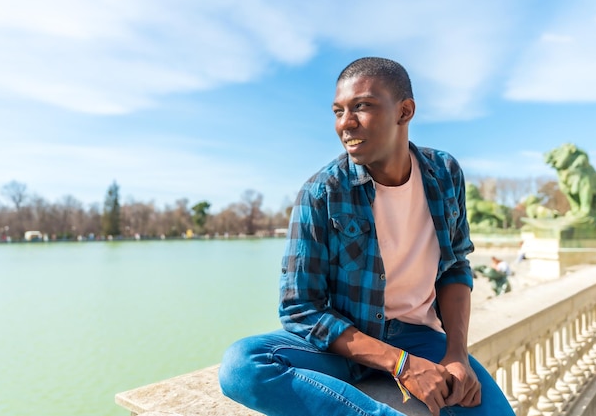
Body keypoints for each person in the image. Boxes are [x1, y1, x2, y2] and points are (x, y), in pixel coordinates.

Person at [219, 57, 515, 416]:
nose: (345, 123)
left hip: (419, 337)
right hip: (341, 345)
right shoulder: (322, 192)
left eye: (362, 106)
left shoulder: (445, 173)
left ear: (404, 112)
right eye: (338, 111)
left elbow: (454, 266)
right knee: (243, 365)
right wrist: (401, 364)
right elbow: (300, 308)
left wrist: (456, 354)